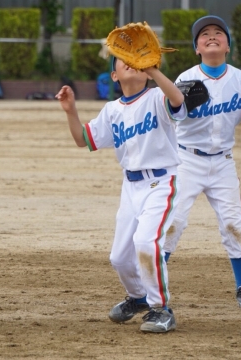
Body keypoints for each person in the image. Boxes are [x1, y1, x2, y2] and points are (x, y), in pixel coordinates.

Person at [56, 43, 186, 333]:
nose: (129, 61)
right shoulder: (112, 110)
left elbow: (177, 99)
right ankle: (138, 297)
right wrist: (71, 110)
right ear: (114, 76)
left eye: (135, 58)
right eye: (122, 59)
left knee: (146, 243)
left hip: (161, 182)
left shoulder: (157, 97)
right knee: (118, 257)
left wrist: (153, 69)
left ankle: (161, 309)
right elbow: (83, 140)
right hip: (130, 187)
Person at [162, 15, 241, 309]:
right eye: (204, 34)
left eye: (218, 33)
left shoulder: (240, 80)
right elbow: (170, 117)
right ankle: (153, 288)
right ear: (196, 48)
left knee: (234, 223)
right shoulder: (185, 79)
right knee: (172, 222)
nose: (211, 36)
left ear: (228, 46)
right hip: (186, 160)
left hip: (223, 162)